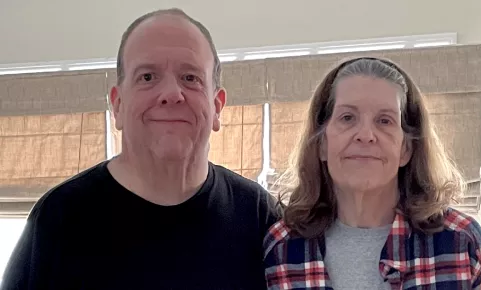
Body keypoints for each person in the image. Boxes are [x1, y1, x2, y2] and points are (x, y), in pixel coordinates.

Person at [1, 8, 278, 290]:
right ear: (117, 105)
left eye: (190, 78)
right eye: (147, 77)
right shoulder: (57, 219)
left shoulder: (261, 216)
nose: (171, 94)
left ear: (217, 106)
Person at [263, 57, 481, 289]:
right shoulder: (281, 249)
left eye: (384, 121)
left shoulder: (462, 242)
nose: (366, 134)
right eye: (347, 118)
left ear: (406, 148)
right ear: (322, 144)